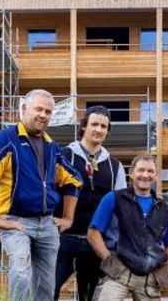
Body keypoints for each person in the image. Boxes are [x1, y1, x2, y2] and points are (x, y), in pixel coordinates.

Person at [0, 89, 83, 301]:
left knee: (47, 285)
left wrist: (68, 218)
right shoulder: (6, 139)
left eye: (48, 112)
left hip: (47, 224)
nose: (43, 115)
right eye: (38, 109)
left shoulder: (51, 146)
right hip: (16, 222)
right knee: (22, 273)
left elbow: (73, 180)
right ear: (24, 109)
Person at [54, 105, 126, 301]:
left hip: (95, 243)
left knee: (88, 296)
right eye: (94, 124)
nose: (98, 129)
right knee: (49, 290)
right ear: (84, 126)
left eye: (103, 126)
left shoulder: (115, 167)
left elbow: (120, 208)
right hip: (62, 239)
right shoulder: (63, 156)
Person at [87, 153, 168, 301]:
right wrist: (110, 262)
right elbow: (93, 234)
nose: (145, 175)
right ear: (131, 173)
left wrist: (166, 269)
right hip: (118, 275)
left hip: (149, 279)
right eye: (141, 170)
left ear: (156, 175)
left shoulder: (163, 208)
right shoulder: (114, 198)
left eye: (150, 171)